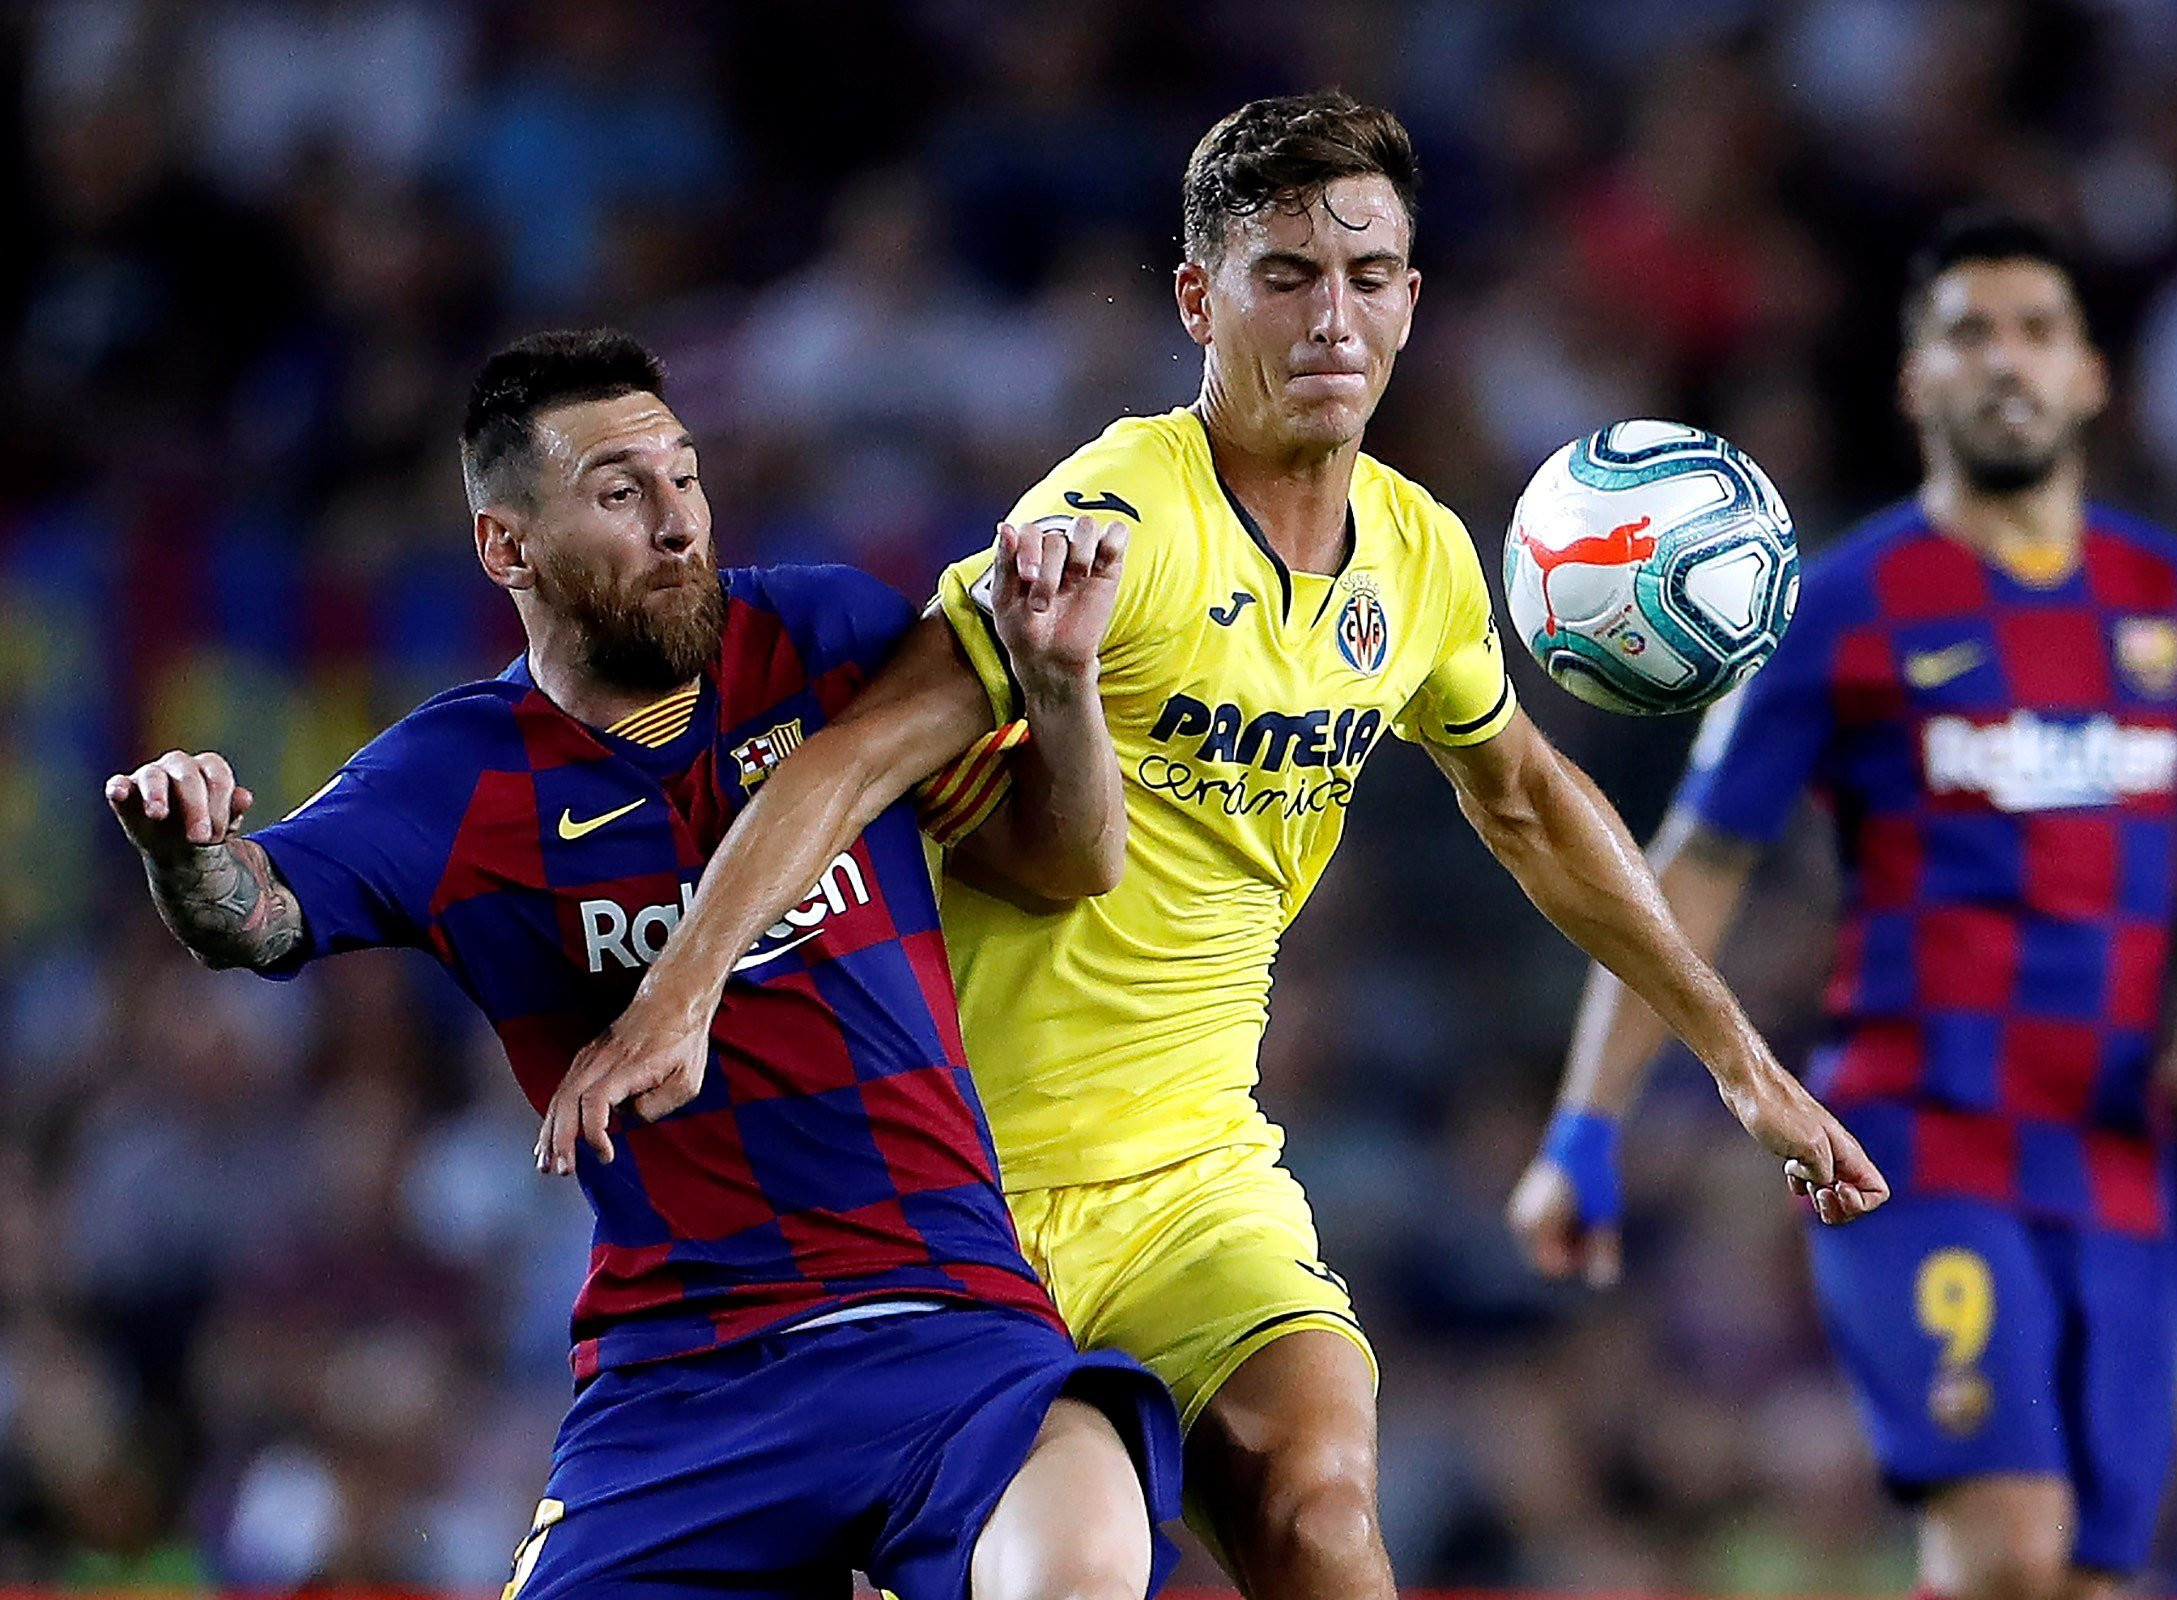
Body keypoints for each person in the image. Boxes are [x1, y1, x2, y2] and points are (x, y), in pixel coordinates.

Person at [561, 93, 1886, 1600]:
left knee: (1322, 1518)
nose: (1335, 318)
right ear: (1200, 296)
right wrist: (681, 992)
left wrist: (1739, 1059)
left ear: (1410, 301)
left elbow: (1526, 798)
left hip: (1195, 1178)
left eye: (1369, 277)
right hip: (949, 1203)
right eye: (1287, 275)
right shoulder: (1110, 517)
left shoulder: (1423, 556)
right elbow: (852, 756)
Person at [103, 330, 1181, 1600]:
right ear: (509, 547)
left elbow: (1055, 864)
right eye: (621, 492)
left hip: (943, 1321)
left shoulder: (827, 637)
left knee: (1081, 1571)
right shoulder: (454, 778)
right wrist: (190, 852)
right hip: (682, 1383)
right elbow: (254, 914)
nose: (679, 523)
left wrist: (1060, 691)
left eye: (687, 477)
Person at [1509, 212, 2177, 1600]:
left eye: (2036, 331)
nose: (2004, 360)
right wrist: (1587, 1124)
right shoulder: (1842, 607)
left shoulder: (2171, 598)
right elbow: (1694, 868)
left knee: (2084, 1582)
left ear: (2088, 376)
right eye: (1968, 332)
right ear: (1914, 381)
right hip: (1915, 1144)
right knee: (2007, 1554)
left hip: (2118, 1164)